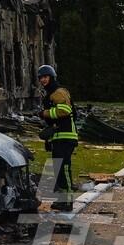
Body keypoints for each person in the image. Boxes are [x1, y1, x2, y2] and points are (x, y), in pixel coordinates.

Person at [37, 64, 77, 211]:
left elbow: (65, 110)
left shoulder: (58, 92)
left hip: (66, 136)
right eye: (41, 78)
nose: (43, 80)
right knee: (57, 169)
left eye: (45, 77)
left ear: (52, 77)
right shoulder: (50, 94)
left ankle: (68, 201)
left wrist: (45, 113)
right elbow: (54, 122)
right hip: (58, 137)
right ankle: (62, 200)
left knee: (64, 168)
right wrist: (49, 139)